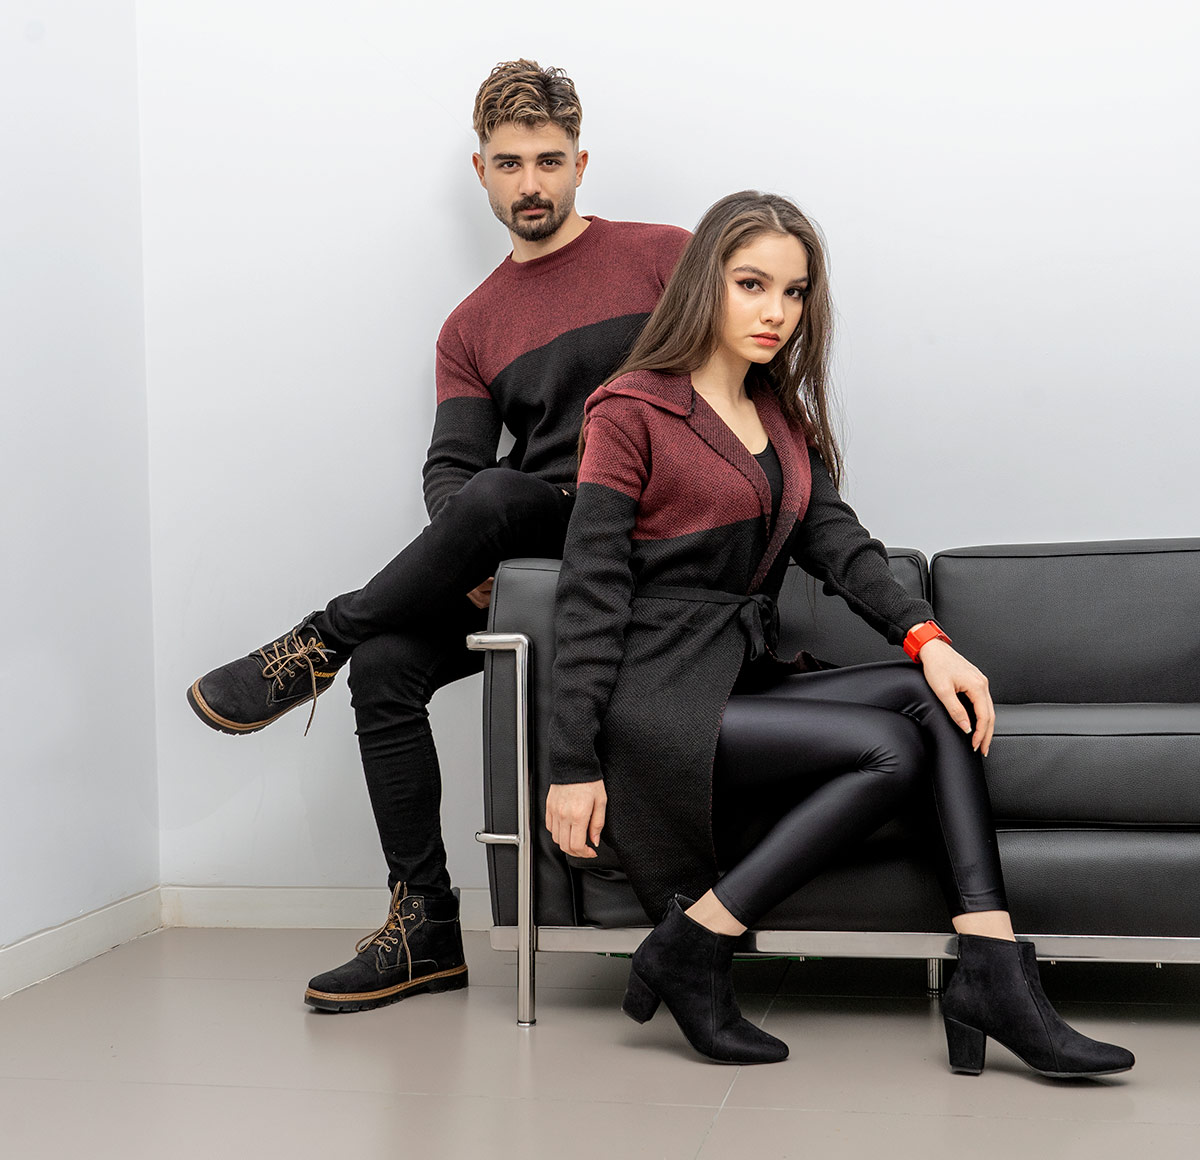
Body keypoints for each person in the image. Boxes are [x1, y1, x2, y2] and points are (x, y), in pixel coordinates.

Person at [545, 191, 1135, 1077]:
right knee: (889, 750)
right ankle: (696, 940)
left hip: (735, 678)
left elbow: (841, 547)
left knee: (926, 696)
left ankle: (991, 968)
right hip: (659, 700)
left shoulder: (778, 417)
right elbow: (589, 594)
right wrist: (572, 762)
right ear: (704, 282)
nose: (776, 312)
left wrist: (930, 639)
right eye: (752, 285)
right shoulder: (628, 411)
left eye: (794, 292)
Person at [185, 60, 690, 1013]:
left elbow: (730, 390)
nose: (531, 184)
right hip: (538, 554)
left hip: (649, 530)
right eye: (511, 163)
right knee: (387, 666)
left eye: (549, 161)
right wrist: (468, 559)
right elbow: (451, 471)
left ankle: (318, 639)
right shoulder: (471, 325)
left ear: (582, 163)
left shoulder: (664, 257)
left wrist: (488, 523)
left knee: (490, 503)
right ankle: (424, 927)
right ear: (480, 170)